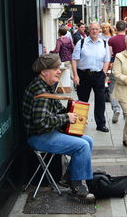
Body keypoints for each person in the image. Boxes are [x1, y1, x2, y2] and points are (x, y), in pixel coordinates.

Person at [23, 53, 95, 201]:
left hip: (47, 132)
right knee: (82, 146)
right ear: (44, 72)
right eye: (55, 68)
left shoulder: (46, 86)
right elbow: (41, 123)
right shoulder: (40, 92)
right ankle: (77, 187)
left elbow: (58, 109)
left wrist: (76, 117)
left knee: (88, 141)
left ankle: (69, 177)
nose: (59, 71)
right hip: (39, 137)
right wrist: (66, 118)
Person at [72, 22, 110, 132]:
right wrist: (75, 75)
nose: (94, 31)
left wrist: (103, 73)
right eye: (92, 29)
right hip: (83, 75)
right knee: (82, 101)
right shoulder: (81, 42)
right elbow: (74, 59)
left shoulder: (104, 43)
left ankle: (101, 124)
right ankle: (80, 123)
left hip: (98, 75)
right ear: (89, 30)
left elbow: (107, 60)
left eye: (96, 29)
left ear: (99, 31)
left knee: (100, 100)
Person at [108, 21, 127, 123]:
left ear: (116, 29)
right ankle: (126, 112)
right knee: (126, 90)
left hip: (116, 67)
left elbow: (109, 55)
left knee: (113, 90)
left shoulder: (111, 40)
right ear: (125, 29)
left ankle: (116, 109)